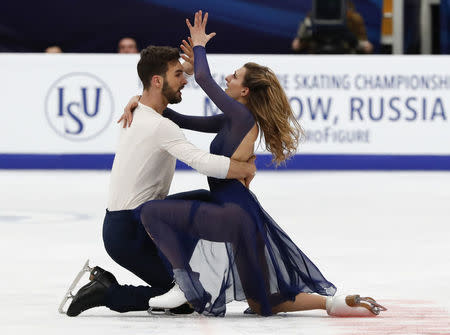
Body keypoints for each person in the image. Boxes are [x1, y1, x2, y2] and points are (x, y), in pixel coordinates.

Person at [131, 11, 385, 317]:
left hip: (232, 212)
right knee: (262, 302)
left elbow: (203, 78)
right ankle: (334, 302)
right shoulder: (232, 119)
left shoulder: (242, 117)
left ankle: (186, 285)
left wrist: (199, 46)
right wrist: (142, 102)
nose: (228, 78)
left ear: (245, 91)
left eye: (235, 77)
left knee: (152, 213)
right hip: (242, 214)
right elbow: (179, 118)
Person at [62, 44, 256, 317]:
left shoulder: (141, 109)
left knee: (204, 198)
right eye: (178, 75)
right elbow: (200, 161)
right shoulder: (159, 125)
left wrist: (181, 69)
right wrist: (243, 168)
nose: (184, 81)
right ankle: (108, 292)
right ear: (157, 81)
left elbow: (155, 89)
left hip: (134, 219)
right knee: (188, 300)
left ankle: (186, 271)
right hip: (128, 231)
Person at [291, 1, 373, 54]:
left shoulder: (353, 18)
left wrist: (362, 45)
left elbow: (365, 45)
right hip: (318, 57)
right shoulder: (313, 16)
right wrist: (300, 40)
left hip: (344, 57)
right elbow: (298, 44)